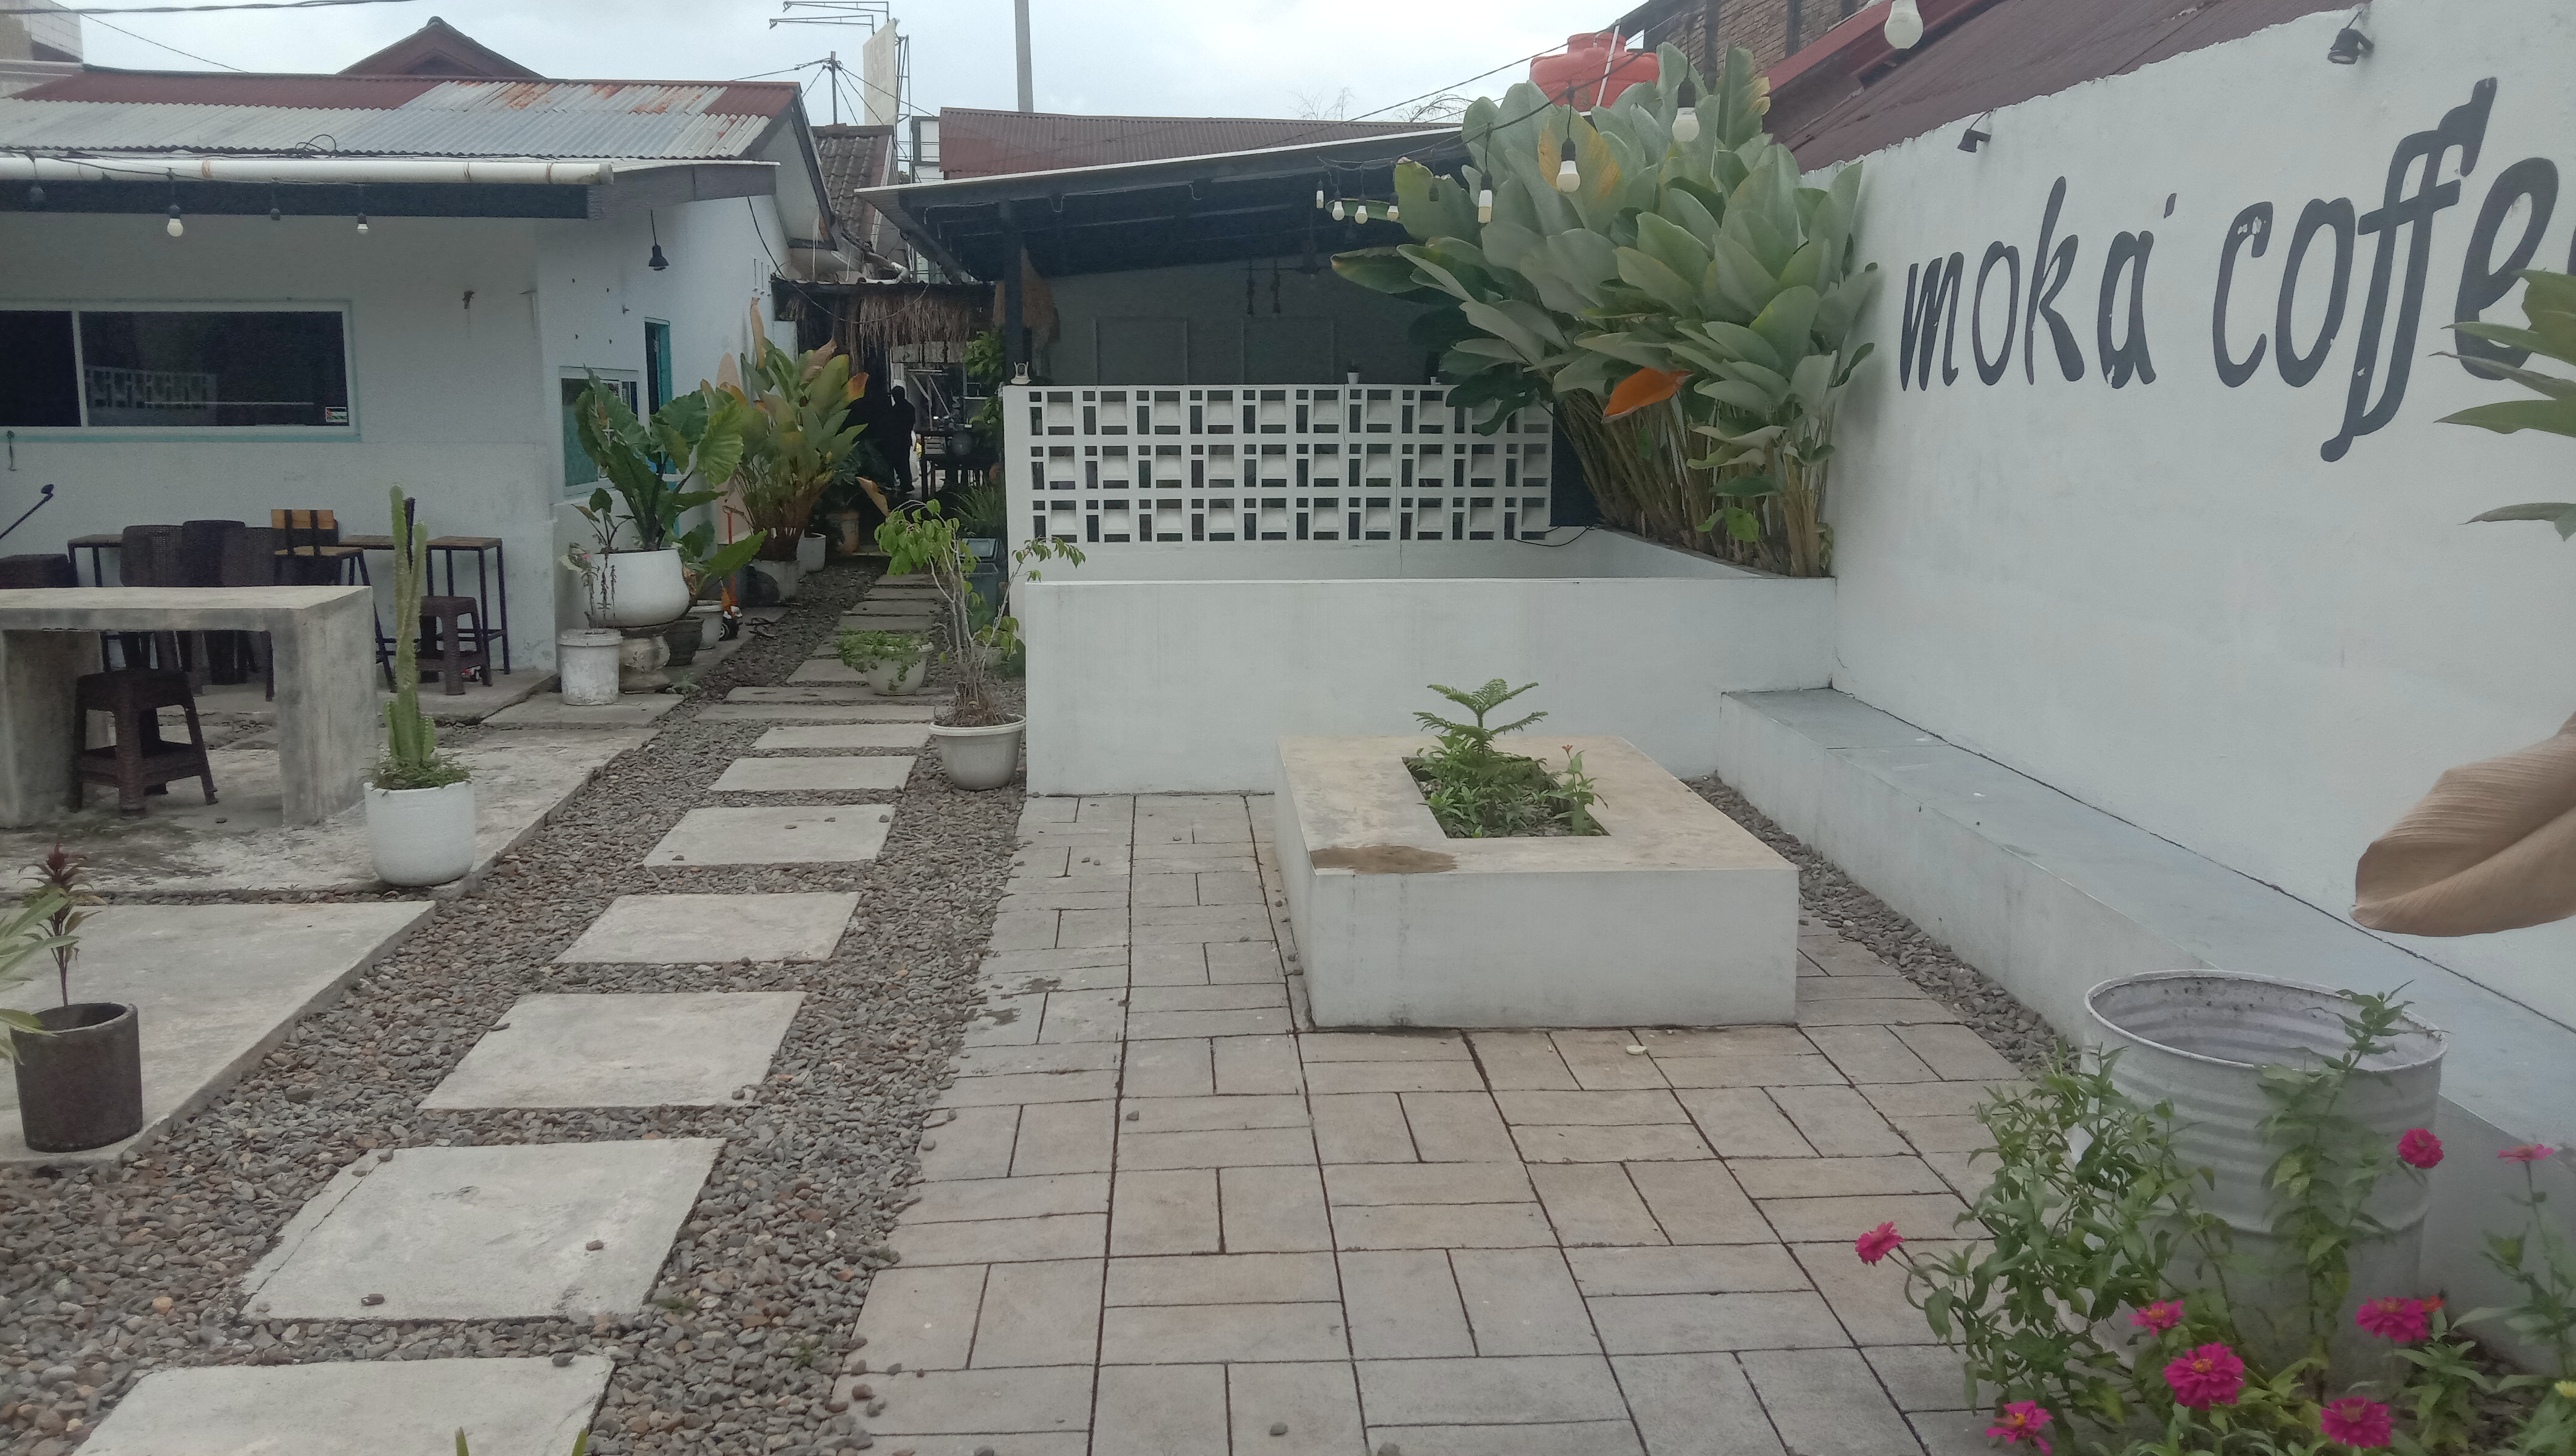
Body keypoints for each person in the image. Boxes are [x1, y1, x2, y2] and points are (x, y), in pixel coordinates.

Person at [887, 384, 918, 501]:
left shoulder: (898, 409)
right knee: (903, 462)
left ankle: (905, 484)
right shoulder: (909, 407)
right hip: (904, 439)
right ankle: (906, 483)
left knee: (900, 462)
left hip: (899, 440)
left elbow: (893, 425)